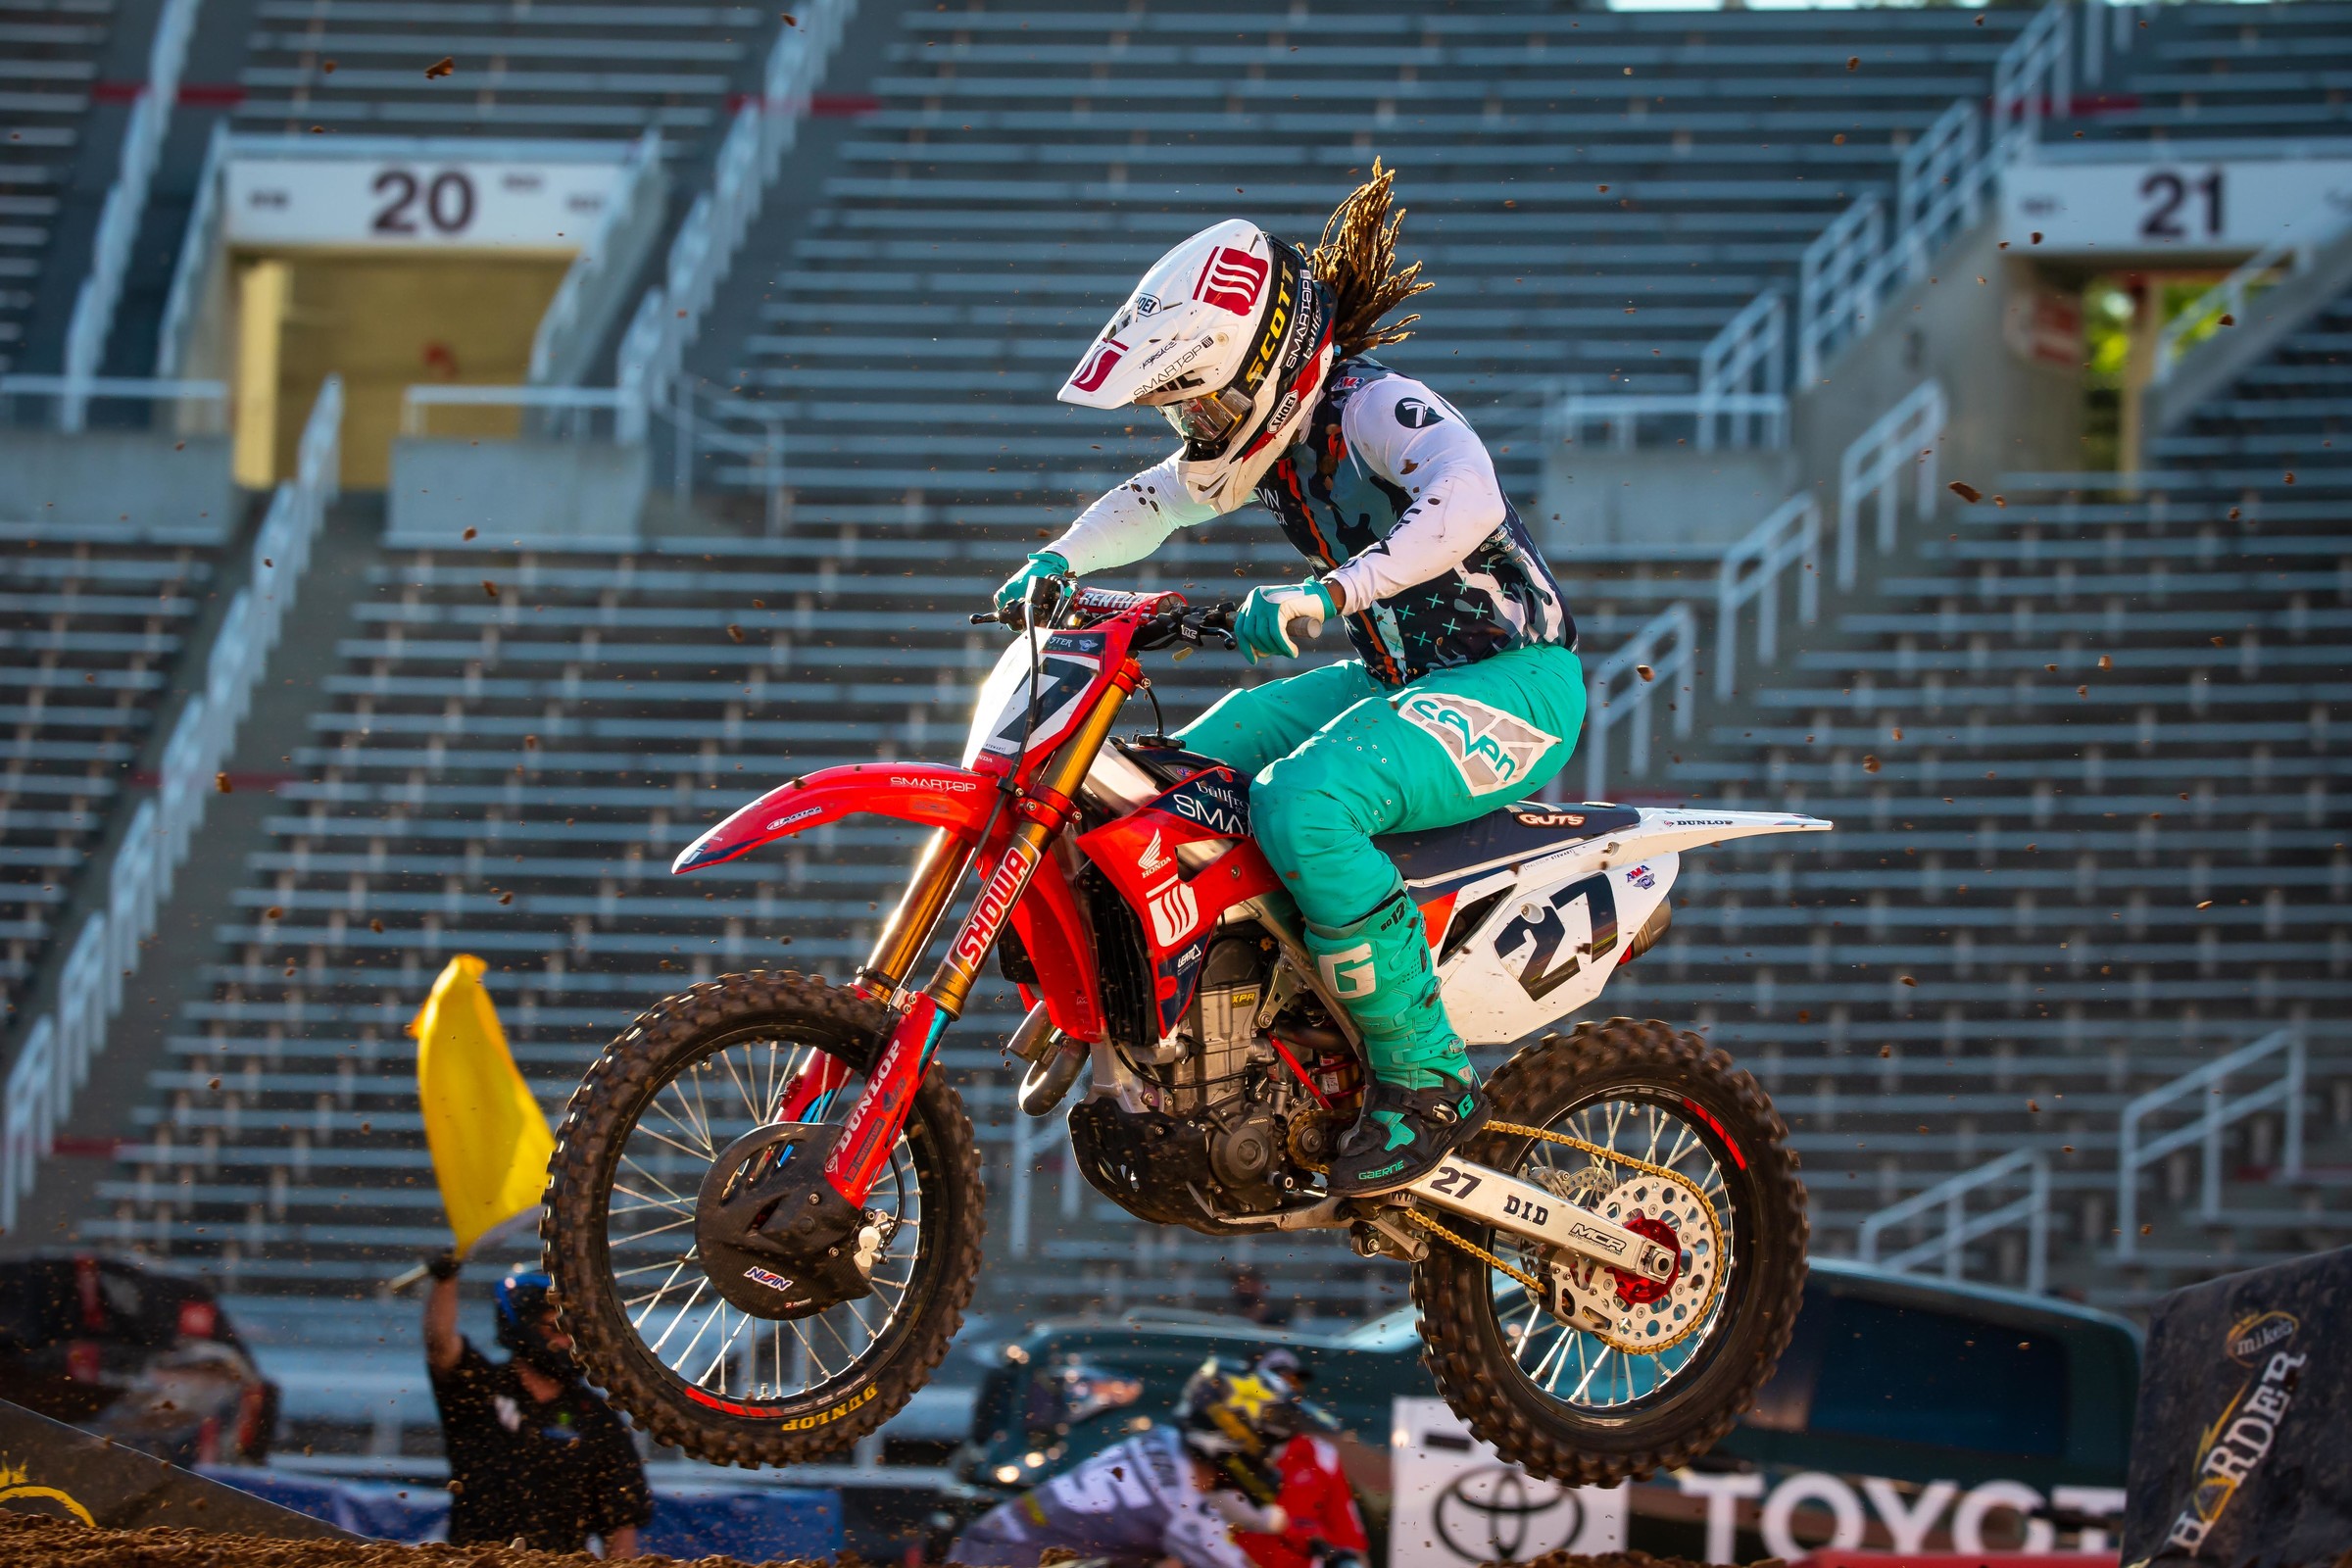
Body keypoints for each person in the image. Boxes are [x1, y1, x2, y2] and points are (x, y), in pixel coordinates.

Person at [1000, 161, 1583, 1196]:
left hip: (1514, 681)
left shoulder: (1372, 405)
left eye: (1208, 404)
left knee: (1302, 803)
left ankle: (1427, 1078)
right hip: (1395, 679)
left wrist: (1335, 593)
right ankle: (1185, 1004)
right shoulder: (1270, 443)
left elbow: (1467, 496)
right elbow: (1155, 499)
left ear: (1262, 363)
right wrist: (1061, 560)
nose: (1200, 431)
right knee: (1188, 764)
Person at [950, 1358, 1300, 1568]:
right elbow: (1210, 1536)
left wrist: (1267, 1521)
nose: (1270, 1456)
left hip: (987, 1545)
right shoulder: (1180, 1512)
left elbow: (1189, 1497)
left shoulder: (1160, 1441)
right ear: (1233, 1436)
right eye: (1268, 1442)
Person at [421, 1254, 652, 1555]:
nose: (567, 1342)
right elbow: (440, 1346)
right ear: (522, 1323)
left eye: (573, 1331)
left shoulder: (598, 1419)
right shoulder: (480, 1390)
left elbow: (621, 1526)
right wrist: (445, 1279)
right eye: (555, 1328)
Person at [1231, 1351, 1368, 1568]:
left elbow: (1349, 1539)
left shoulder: (1322, 1456)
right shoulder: (1227, 1446)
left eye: (1293, 1382)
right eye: (1275, 1383)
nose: (1286, 1391)